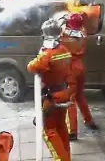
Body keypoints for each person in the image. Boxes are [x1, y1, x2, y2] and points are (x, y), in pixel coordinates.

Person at [27, 18, 73, 161]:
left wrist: (42, 52)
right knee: (61, 127)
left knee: (49, 131)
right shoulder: (65, 50)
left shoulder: (47, 55)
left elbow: (31, 67)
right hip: (64, 92)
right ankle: (67, 157)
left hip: (51, 97)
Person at [60, 12, 98, 141]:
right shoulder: (83, 33)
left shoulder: (64, 35)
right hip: (80, 67)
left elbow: (58, 33)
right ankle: (89, 121)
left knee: (70, 100)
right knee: (80, 96)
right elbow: (76, 29)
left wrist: (62, 20)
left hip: (70, 68)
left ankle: (73, 132)